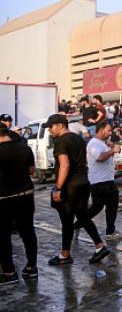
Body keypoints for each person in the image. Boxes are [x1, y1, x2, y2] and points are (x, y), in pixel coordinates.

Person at [45, 114, 110, 266]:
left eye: (51, 126)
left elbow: (65, 165)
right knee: (83, 216)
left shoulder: (61, 141)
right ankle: (99, 246)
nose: (49, 130)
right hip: (83, 183)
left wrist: (58, 188)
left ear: (60, 125)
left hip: (70, 186)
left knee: (67, 220)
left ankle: (65, 255)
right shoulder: (78, 138)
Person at [0, 122, 39, 285]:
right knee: (28, 232)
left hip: (3, 199)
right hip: (25, 195)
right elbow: (32, 171)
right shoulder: (24, 148)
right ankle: (31, 268)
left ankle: (9, 272)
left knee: (3, 236)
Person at [74, 121, 122, 240]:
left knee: (112, 206)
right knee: (97, 208)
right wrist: (112, 151)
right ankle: (77, 224)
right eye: (108, 130)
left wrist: (110, 148)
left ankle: (110, 231)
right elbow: (100, 157)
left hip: (108, 180)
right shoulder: (94, 143)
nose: (110, 132)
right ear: (101, 130)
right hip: (99, 182)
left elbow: (105, 155)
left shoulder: (102, 143)